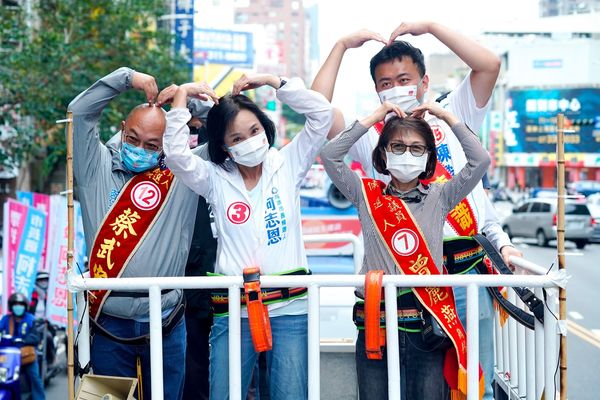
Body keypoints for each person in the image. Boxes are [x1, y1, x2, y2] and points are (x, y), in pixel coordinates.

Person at [312, 24, 523, 399]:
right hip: (409, 283)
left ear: (424, 82)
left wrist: (430, 28)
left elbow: (489, 65)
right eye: (385, 82)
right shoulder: (374, 138)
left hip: (466, 271)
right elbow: (316, 114)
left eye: (404, 79)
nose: (396, 88)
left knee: (475, 385)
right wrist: (342, 45)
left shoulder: (453, 110)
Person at [162, 73, 333, 400]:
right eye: (236, 138)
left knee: (291, 396)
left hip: (291, 309)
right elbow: (174, 155)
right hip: (234, 309)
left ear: (266, 129)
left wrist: (272, 81)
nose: (249, 141)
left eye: (254, 131)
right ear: (223, 147)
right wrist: (182, 96)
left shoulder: (288, 163)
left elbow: (322, 115)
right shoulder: (213, 177)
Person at [321, 100, 490, 399]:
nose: (407, 154)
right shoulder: (365, 194)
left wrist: (446, 117)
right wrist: (373, 117)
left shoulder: (441, 196)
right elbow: (330, 156)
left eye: (416, 148)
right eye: (397, 147)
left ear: (428, 159)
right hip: (376, 326)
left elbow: (480, 161)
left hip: (426, 326)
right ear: (383, 154)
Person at [68, 67, 218, 400]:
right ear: (122, 130)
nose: (139, 148)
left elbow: (222, 128)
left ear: (167, 146)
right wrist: (126, 78)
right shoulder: (96, 166)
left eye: (152, 145)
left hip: (166, 323)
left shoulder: (181, 173)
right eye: (133, 138)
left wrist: (185, 100)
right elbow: (79, 113)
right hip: (109, 325)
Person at [0, 292, 45, 400]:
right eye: (15, 304)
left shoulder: (30, 319)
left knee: (35, 377)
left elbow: (36, 337)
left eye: (20, 304)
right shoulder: (6, 319)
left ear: (25, 306)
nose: (18, 306)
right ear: (11, 306)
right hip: (8, 357)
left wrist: (24, 340)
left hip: (26, 356)